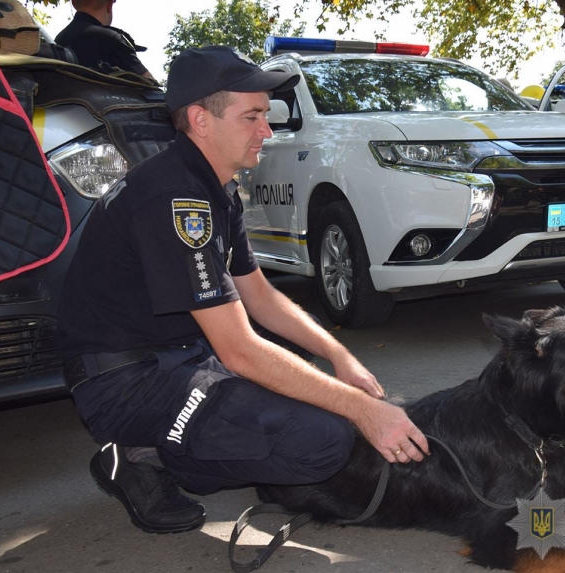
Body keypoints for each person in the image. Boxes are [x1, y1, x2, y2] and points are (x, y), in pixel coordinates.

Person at [56, 45, 429, 534]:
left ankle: (199, 445)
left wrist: (341, 358)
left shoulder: (214, 186)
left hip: (180, 356)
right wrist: (364, 410)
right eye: (252, 116)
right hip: (126, 384)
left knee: (313, 382)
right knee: (326, 440)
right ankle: (146, 457)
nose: (267, 130)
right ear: (200, 120)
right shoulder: (175, 195)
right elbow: (239, 351)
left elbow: (259, 296)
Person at [55, 0, 153, 79]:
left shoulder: (58, 40)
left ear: (74, 3)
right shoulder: (111, 39)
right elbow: (151, 88)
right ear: (109, 4)